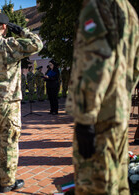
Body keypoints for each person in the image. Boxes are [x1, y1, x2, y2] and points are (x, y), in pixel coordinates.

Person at [66, 0, 139, 194]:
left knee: (96, 186)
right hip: (118, 112)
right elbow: (135, 67)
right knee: (117, 184)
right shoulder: (128, 10)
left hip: (99, 118)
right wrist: (122, 96)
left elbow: (96, 61)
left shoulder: (97, 6)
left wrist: (84, 119)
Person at [0, 12, 43, 193]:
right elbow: (38, 44)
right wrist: (22, 31)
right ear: (4, 27)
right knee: (9, 141)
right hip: (9, 102)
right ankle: (8, 183)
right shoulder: (9, 45)